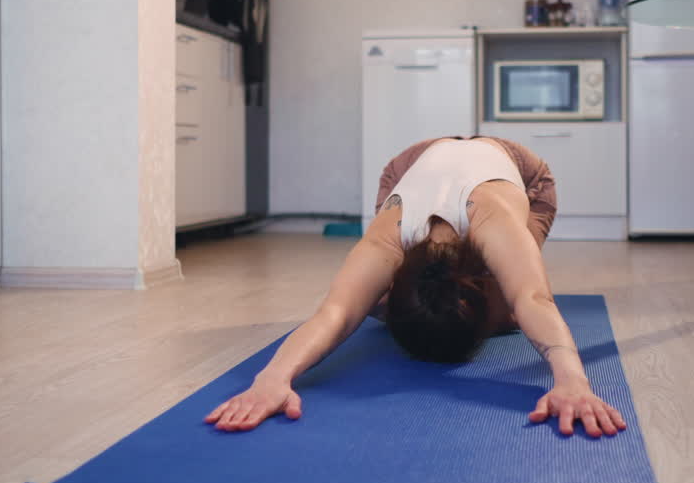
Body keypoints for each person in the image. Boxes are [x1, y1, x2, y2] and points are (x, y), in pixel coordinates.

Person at [205, 136, 627, 438]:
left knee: (511, 307)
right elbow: (336, 313)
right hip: (408, 167)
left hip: (521, 175)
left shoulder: (493, 219)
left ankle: (481, 300)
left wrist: (572, 380)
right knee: (366, 302)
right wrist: (272, 378)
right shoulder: (389, 235)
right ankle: (415, 303)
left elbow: (533, 297)